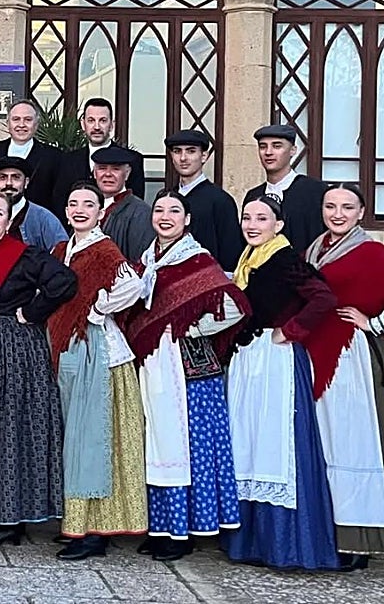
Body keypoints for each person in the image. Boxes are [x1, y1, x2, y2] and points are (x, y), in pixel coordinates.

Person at [125, 189, 249, 562]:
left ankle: (186, 531)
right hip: (153, 362)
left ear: (187, 219)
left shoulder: (197, 260)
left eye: (174, 211)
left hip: (187, 368)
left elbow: (234, 307)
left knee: (187, 446)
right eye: (159, 210)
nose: (165, 216)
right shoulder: (148, 261)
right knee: (157, 444)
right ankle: (160, 526)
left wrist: (193, 328)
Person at [222, 194, 340, 570]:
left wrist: (290, 331)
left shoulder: (285, 259)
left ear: (279, 225)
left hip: (276, 362)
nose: (252, 224)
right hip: (249, 360)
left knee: (276, 444)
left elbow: (323, 298)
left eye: (261, 218)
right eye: (247, 218)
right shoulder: (248, 261)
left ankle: (287, 544)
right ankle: (248, 542)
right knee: (249, 441)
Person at [0, 192, 78, 546]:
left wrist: (31, 313)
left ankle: (6, 521)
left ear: (9, 222)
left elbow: (64, 283)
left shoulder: (24, 255)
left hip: (12, 352)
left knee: (7, 430)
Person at [48, 183, 146, 560]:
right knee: (75, 437)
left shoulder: (105, 250)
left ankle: (96, 531)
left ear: (100, 211)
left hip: (99, 353)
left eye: (88, 204)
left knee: (93, 440)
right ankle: (77, 522)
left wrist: (96, 309)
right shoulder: (62, 250)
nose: (79, 210)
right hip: (70, 351)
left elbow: (132, 286)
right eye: (73, 203)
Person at [304, 184, 384, 571]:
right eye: (331, 206)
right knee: (323, 443)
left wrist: (374, 323)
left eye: (347, 207)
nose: (338, 213)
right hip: (314, 354)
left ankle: (358, 540)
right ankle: (326, 534)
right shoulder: (312, 250)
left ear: (362, 211)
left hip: (350, 359)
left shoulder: (374, 253)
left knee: (352, 444)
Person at [51, 97, 147, 223]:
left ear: (112, 125)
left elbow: (135, 203)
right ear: (83, 124)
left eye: (102, 120)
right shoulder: (67, 160)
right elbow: (59, 203)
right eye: (91, 120)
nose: (96, 127)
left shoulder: (132, 159)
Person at [164, 130, 241, 272]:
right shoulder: (166, 198)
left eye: (191, 151)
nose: (183, 158)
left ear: (204, 156)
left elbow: (231, 254)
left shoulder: (221, 200)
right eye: (177, 151)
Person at [242, 124, 326, 251]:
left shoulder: (314, 191)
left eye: (277, 146)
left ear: (293, 150)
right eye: (263, 147)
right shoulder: (253, 196)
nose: (268, 152)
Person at [0, 99, 63, 209]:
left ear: (36, 124)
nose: (21, 125)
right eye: (16, 119)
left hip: (37, 220)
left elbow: (57, 196)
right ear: (8, 124)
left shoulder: (53, 156)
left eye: (28, 120)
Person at [0, 156, 67, 252]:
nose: (9, 183)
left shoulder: (44, 219)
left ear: (26, 182)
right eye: (3, 177)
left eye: (16, 177)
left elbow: (62, 255)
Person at [92, 146, 154, 261]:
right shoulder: (87, 208)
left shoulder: (141, 213)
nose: (108, 174)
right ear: (95, 173)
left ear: (127, 174)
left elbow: (141, 262)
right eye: (102, 168)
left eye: (116, 169)